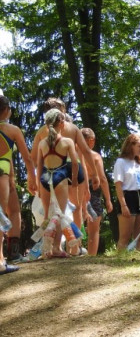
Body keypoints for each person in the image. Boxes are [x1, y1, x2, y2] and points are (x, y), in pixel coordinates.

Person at [31, 98, 96, 231]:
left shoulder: (42, 131)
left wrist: (33, 179)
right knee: (76, 208)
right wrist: (94, 174)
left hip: (51, 170)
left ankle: (52, 240)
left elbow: (34, 158)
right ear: (62, 111)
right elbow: (85, 151)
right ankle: (75, 242)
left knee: (52, 210)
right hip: (72, 168)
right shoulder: (73, 128)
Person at [34, 109, 80, 257]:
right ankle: (56, 248)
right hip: (60, 177)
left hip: (45, 177)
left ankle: (46, 249)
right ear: (61, 123)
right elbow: (75, 163)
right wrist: (74, 180)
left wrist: (38, 185)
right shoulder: (67, 142)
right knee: (59, 215)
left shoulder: (42, 143)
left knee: (47, 215)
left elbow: (39, 165)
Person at [0, 96, 34, 271]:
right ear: (6, 110)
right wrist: (32, 177)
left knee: (13, 210)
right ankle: (1, 261)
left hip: (8, 176)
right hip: (2, 174)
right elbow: (27, 158)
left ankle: (11, 254)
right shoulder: (12, 130)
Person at [80, 128, 114, 256]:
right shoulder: (95, 156)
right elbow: (102, 178)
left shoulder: (73, 155)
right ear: (91, 140)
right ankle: (91, 256)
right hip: (92, 190)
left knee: (75, 221)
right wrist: (108, 199)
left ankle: (74, 252)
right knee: (94, 227)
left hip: (76, 188)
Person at [113, 133, 140, 251]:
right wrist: (123, 205)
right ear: (131, 146)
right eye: (139, 146)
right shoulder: (121, 162)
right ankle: (119, 260)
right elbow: (118, 185)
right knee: (125, 237)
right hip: (128, 197)